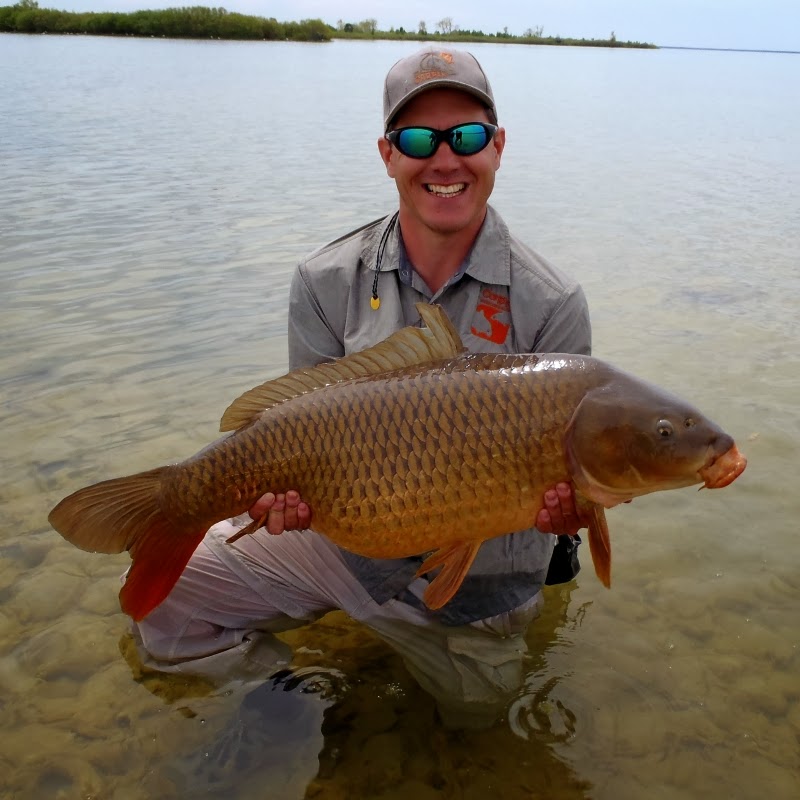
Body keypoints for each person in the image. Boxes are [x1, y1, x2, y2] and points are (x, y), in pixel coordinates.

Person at [132, 47, 592, 724]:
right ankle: (289, 702)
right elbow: (288, 431)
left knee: (476, 722)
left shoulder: (552, 303)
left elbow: (580, 480)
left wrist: (576, 511)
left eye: (465, 137)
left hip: (477, 587)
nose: (444, 160)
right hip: (343, 547)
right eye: (417, 139)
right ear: (386, 153)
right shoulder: (324, 280)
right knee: (163, 607)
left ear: (497, 148)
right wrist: (277, 501)